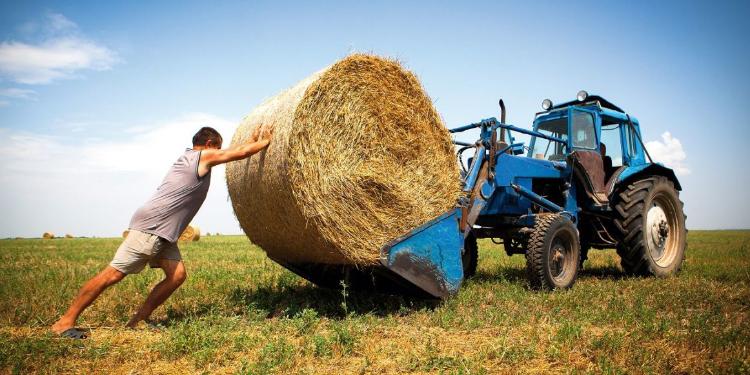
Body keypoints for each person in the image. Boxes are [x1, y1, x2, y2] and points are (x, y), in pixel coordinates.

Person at [51, 126, 272, 339]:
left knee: (177, 276)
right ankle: (65, 322)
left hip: (165, 231)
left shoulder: (188, 158)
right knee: (113, 274)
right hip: (153, 226)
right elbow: (238, 153)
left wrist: (252, 140)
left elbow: (235, 151)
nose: (219, 153)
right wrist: (265, 142)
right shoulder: (200, 157)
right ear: (209, 144)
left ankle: (139, 320)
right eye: (218, 147)